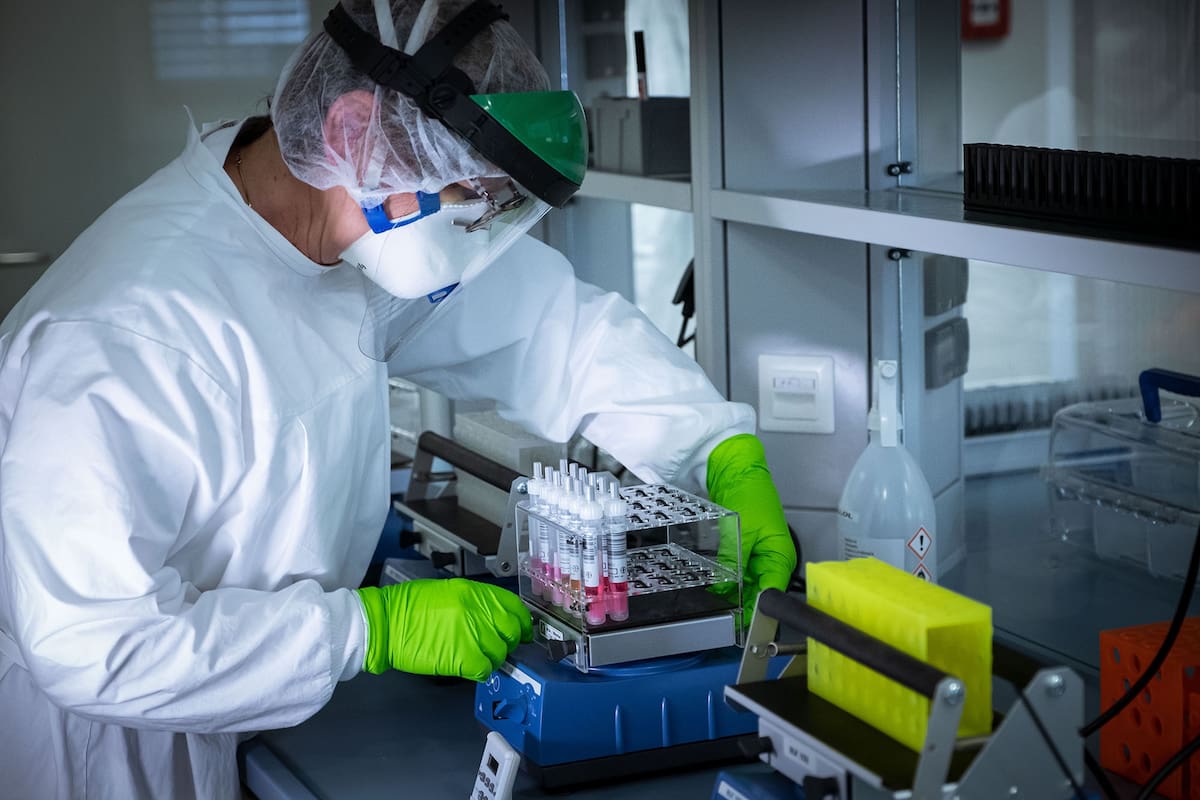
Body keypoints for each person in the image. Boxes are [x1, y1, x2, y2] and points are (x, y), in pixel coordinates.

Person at [0, 0, 796, 796]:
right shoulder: (123, 332)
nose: (481, 224)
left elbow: (553, 332)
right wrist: (369, 631)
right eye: (474, 194)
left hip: (251, 716)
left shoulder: (348, 226)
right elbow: (91, 643)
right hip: (107, 754)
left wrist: (717, 448)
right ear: (352, 129)